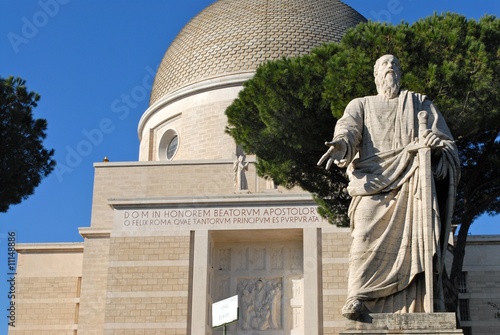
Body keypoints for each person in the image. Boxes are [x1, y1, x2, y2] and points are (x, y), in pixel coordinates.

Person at [318, 55, 460, 319]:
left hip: (412, 184)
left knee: (417, 242)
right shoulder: (361, 104)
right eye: (385, 64)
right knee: (363, 237)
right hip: (372, 185)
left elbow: (447, 144)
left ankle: (420, 305)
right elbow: (348, 128)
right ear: (375, 75)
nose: (390, 67)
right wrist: (341, 144)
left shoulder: (419, 103)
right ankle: (358, 297)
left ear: (400, 73)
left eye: (395, 64)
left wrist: (435, 146)